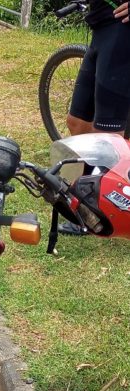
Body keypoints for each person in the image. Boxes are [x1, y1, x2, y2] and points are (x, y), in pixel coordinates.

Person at [59, 0, 130, 235]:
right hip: (101, 28)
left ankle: (95, 214)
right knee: (78, 123)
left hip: (122, 35)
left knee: (107, 138)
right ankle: (88, 198)